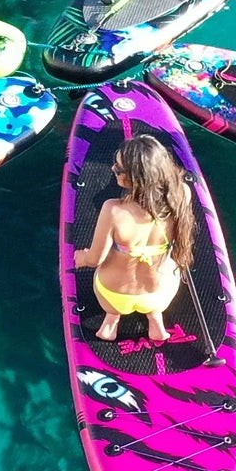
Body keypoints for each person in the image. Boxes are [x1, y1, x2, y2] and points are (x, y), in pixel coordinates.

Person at [74, 134, 196, 343]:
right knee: (165, 274)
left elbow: (95, 259)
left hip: (112, 296)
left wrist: (81, 257)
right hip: (159, 295)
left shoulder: (113, 209)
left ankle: (111, 321)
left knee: (99, 273)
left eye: (118, 169)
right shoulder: (181, 194)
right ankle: (155, 320)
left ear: (136, 178)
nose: (113, 169)